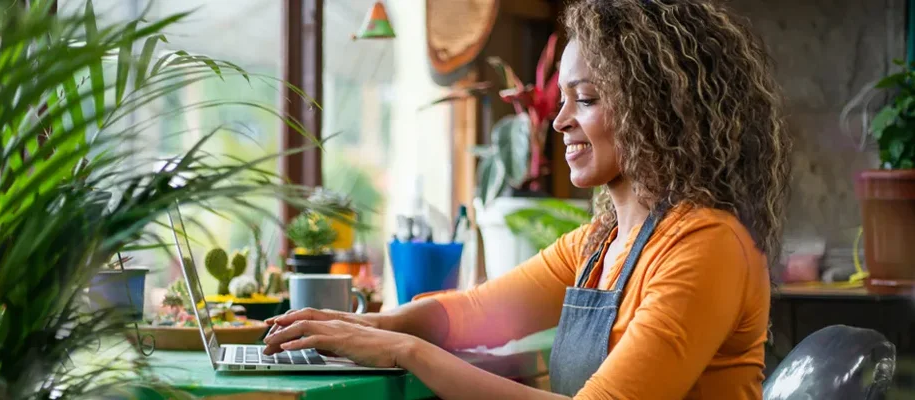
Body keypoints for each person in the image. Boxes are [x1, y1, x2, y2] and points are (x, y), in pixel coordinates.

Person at [263, 0, 791, 398]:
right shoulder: (601, 244)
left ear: (658, 109)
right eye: (562, 100)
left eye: (584, 100)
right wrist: (356, 327)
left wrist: (401, 349)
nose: (559, 122)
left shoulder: (707, 244)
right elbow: (477, 313)